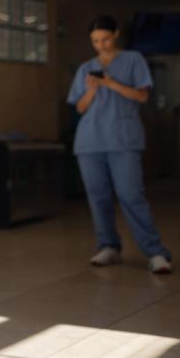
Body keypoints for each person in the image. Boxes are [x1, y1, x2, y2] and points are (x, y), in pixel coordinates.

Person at [67, 15, 172, 274]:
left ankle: (156, 252)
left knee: (131, 195)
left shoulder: (133, 60)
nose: (100, 45)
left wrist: (110, 83)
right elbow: (80, 107)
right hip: (90, 142)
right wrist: (92, 88)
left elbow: (141, 95)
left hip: (123, 140)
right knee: (98, 196)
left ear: (115, 35)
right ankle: (108, 247)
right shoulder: (85, 68)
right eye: (95, 41)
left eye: (104, 39)